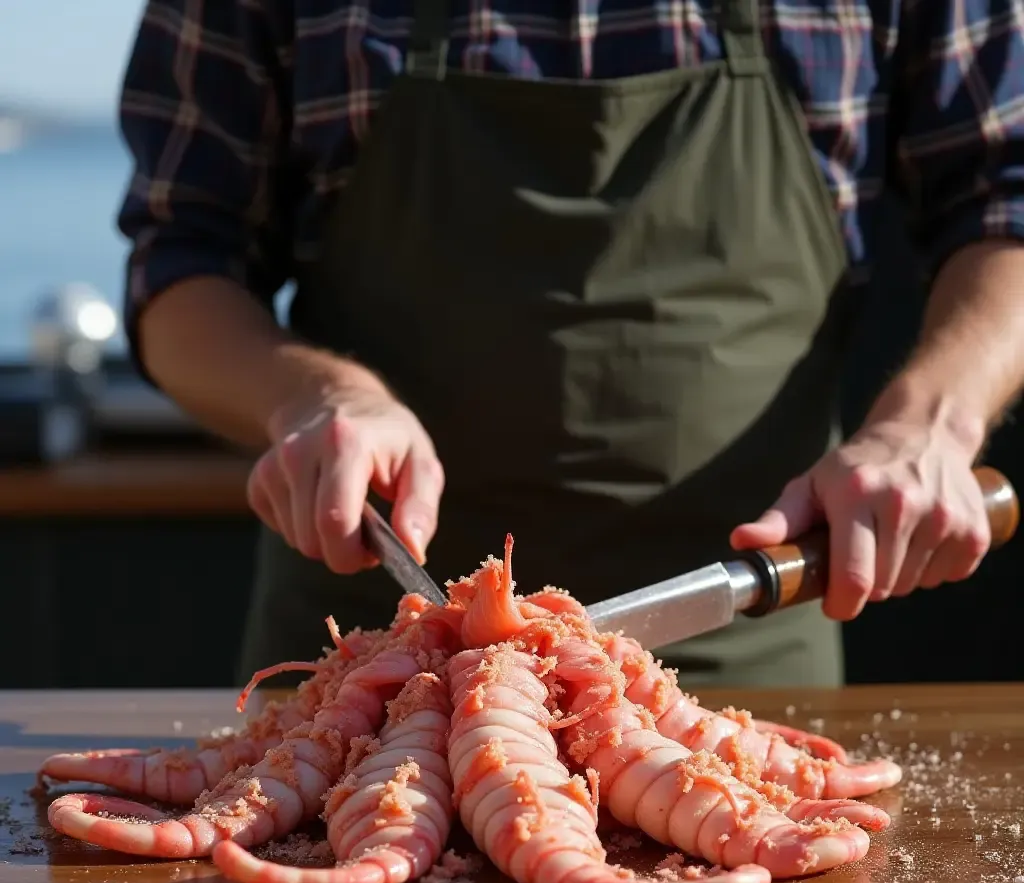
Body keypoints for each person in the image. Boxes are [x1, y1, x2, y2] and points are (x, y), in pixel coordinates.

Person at [115, 0, 1024, 691]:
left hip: (741, 663)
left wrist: (930, 426)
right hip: (374, 679)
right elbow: (180, 268)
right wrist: (314, 396)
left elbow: (1006, 198)